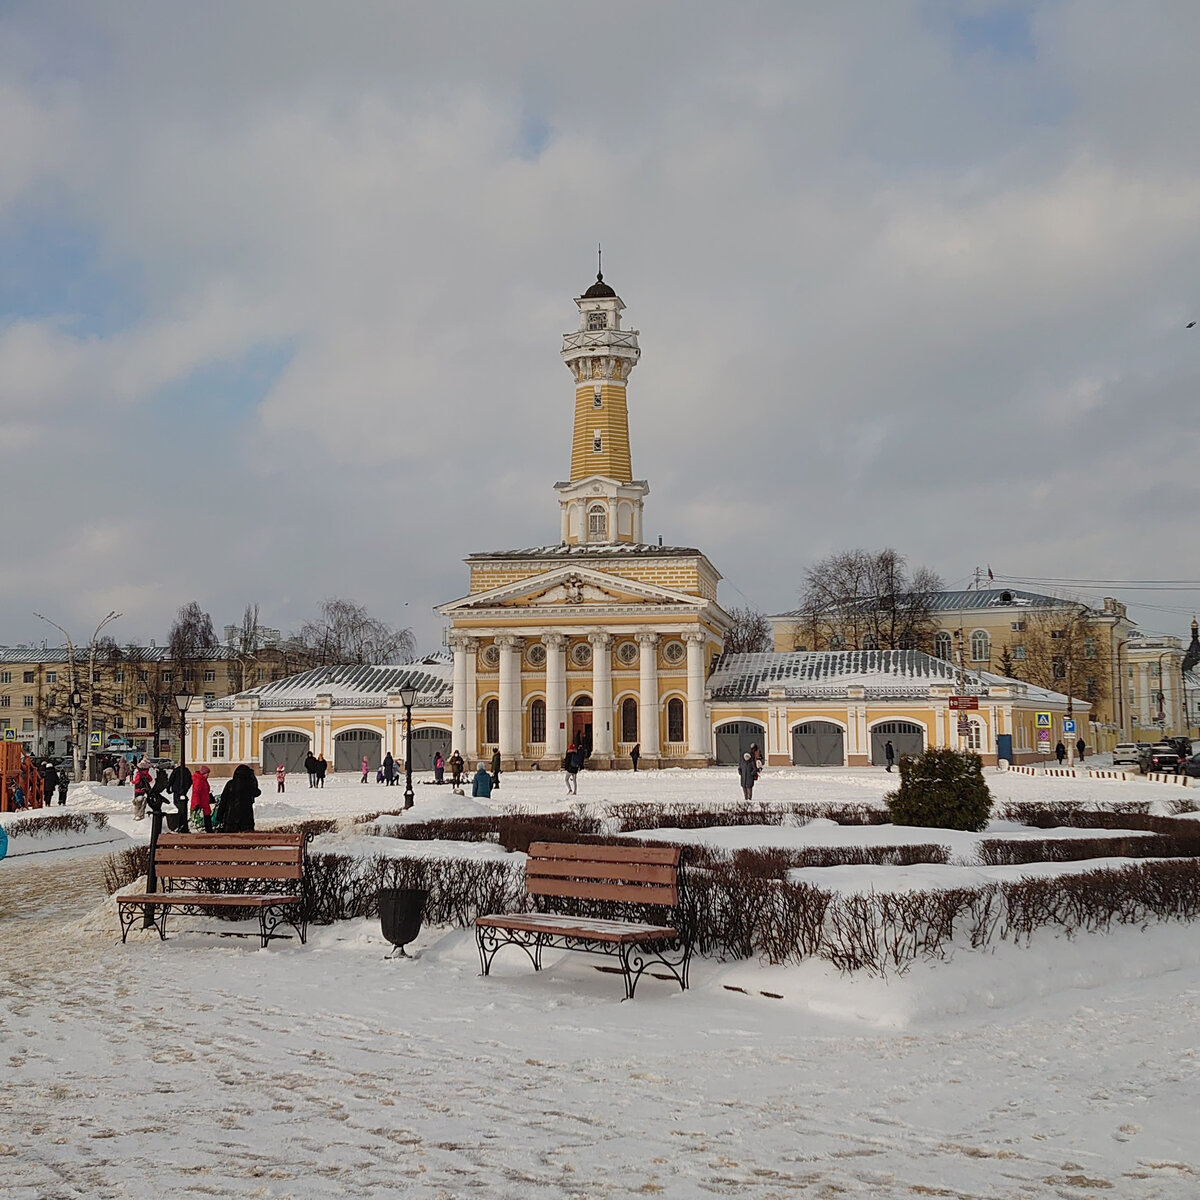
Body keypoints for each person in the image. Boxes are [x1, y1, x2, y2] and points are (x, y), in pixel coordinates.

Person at [215, 764, 260, 832]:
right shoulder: (249, 785)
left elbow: (223, 801)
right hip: (246, 819)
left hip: (230, 819)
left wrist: (219, 816)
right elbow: (257, 792)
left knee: (230, 840)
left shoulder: (230, 784)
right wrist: (253, 777)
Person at [167, 760, 192, 830]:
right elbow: (190, 781)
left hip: (176, 790)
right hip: (183, 791)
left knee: (177, 803)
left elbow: (171, 780)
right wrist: (186, 788)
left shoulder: (176, 770)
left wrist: (169, 787)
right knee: (182, 805)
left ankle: (181, 818)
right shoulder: (187, 771)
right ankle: (182, 818)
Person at [190, 765, 213, 832]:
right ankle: (209, 831)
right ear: (204, 773)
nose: (208, 775)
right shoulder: (199, 780)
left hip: (205, 802)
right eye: (207, 773)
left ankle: (209, 830)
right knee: (205, 817)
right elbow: (196, 793)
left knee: (207, 817)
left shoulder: (203, 780)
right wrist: (197, 803)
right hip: (201, 803)